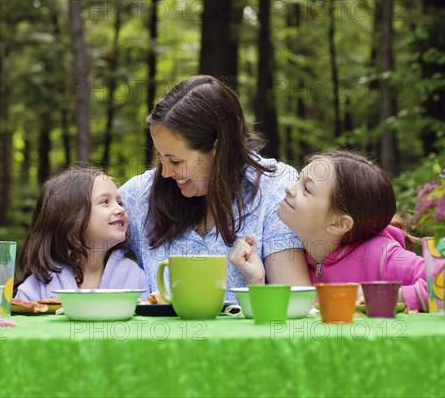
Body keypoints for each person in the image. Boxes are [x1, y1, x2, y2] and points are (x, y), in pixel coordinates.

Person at [119, 75, 311, 299]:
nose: (166, 172)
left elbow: (294, 302)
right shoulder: (138, 195)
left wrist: (257, 282)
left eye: (176, 161)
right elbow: (78, 242)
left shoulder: (274, 189)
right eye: (160, 157)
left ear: (218, 147)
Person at [236, 150, 427, 310]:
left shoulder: (381, 255)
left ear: (338, 224)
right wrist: (257, 280)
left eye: (307, 189)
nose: (288, 188)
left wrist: (375, 297)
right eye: (298, 180)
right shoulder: (295, 255)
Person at [15, 167, 148, 301]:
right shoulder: (37, 286)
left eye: (119, 202)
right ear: (69, 218)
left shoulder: (135, 277)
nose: (120, 209)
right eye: (105, 202)